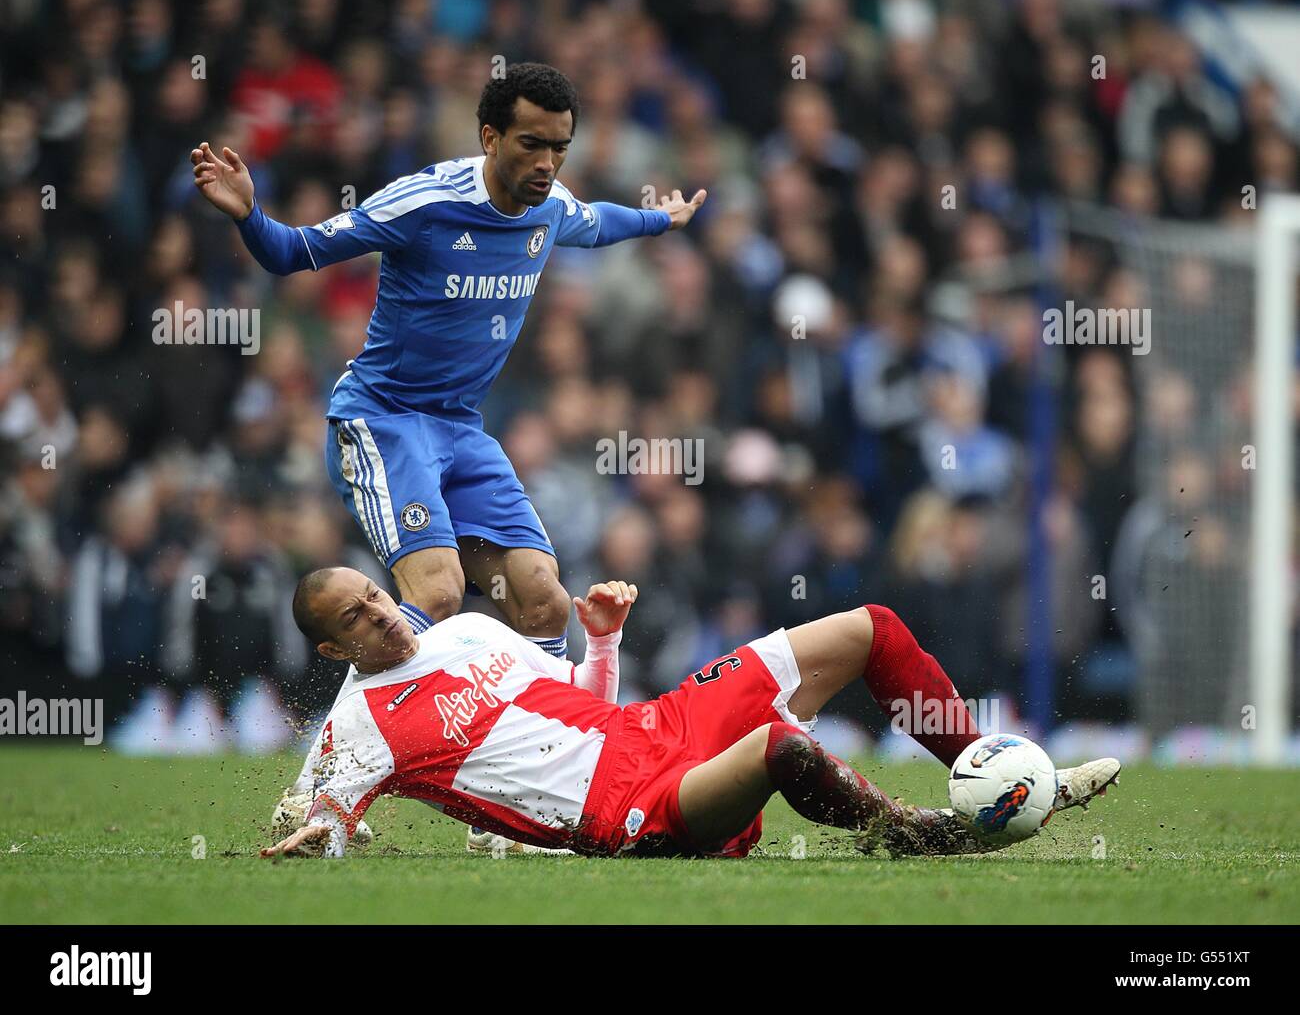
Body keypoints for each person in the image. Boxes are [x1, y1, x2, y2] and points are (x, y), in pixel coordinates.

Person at [190, 62, 706, 663]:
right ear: (490, 137)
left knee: (545, 600)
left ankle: (536, 746)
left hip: (461, 428)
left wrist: (659, 220)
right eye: (531, 144)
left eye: (560, 148)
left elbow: (598, 222)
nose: (547, 163)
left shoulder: (550, 207)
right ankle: (358, 744)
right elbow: (294, 252)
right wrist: (250, 215)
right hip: (383, 420)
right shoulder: (425, 202)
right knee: (437, 594)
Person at [262, 567, 1119, 860]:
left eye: (373, 595)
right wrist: (320, 832)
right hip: (625, 813)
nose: (380, 614)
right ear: (335, 651)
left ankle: (984, 772)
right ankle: (938, 833)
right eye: (355, 620)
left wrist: (602, 642)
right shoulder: (361, 727)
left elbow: (585, 704)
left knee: (872, 630)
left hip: (654, 725)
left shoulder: (465, 630)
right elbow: (325, 815)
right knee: (782, 749)